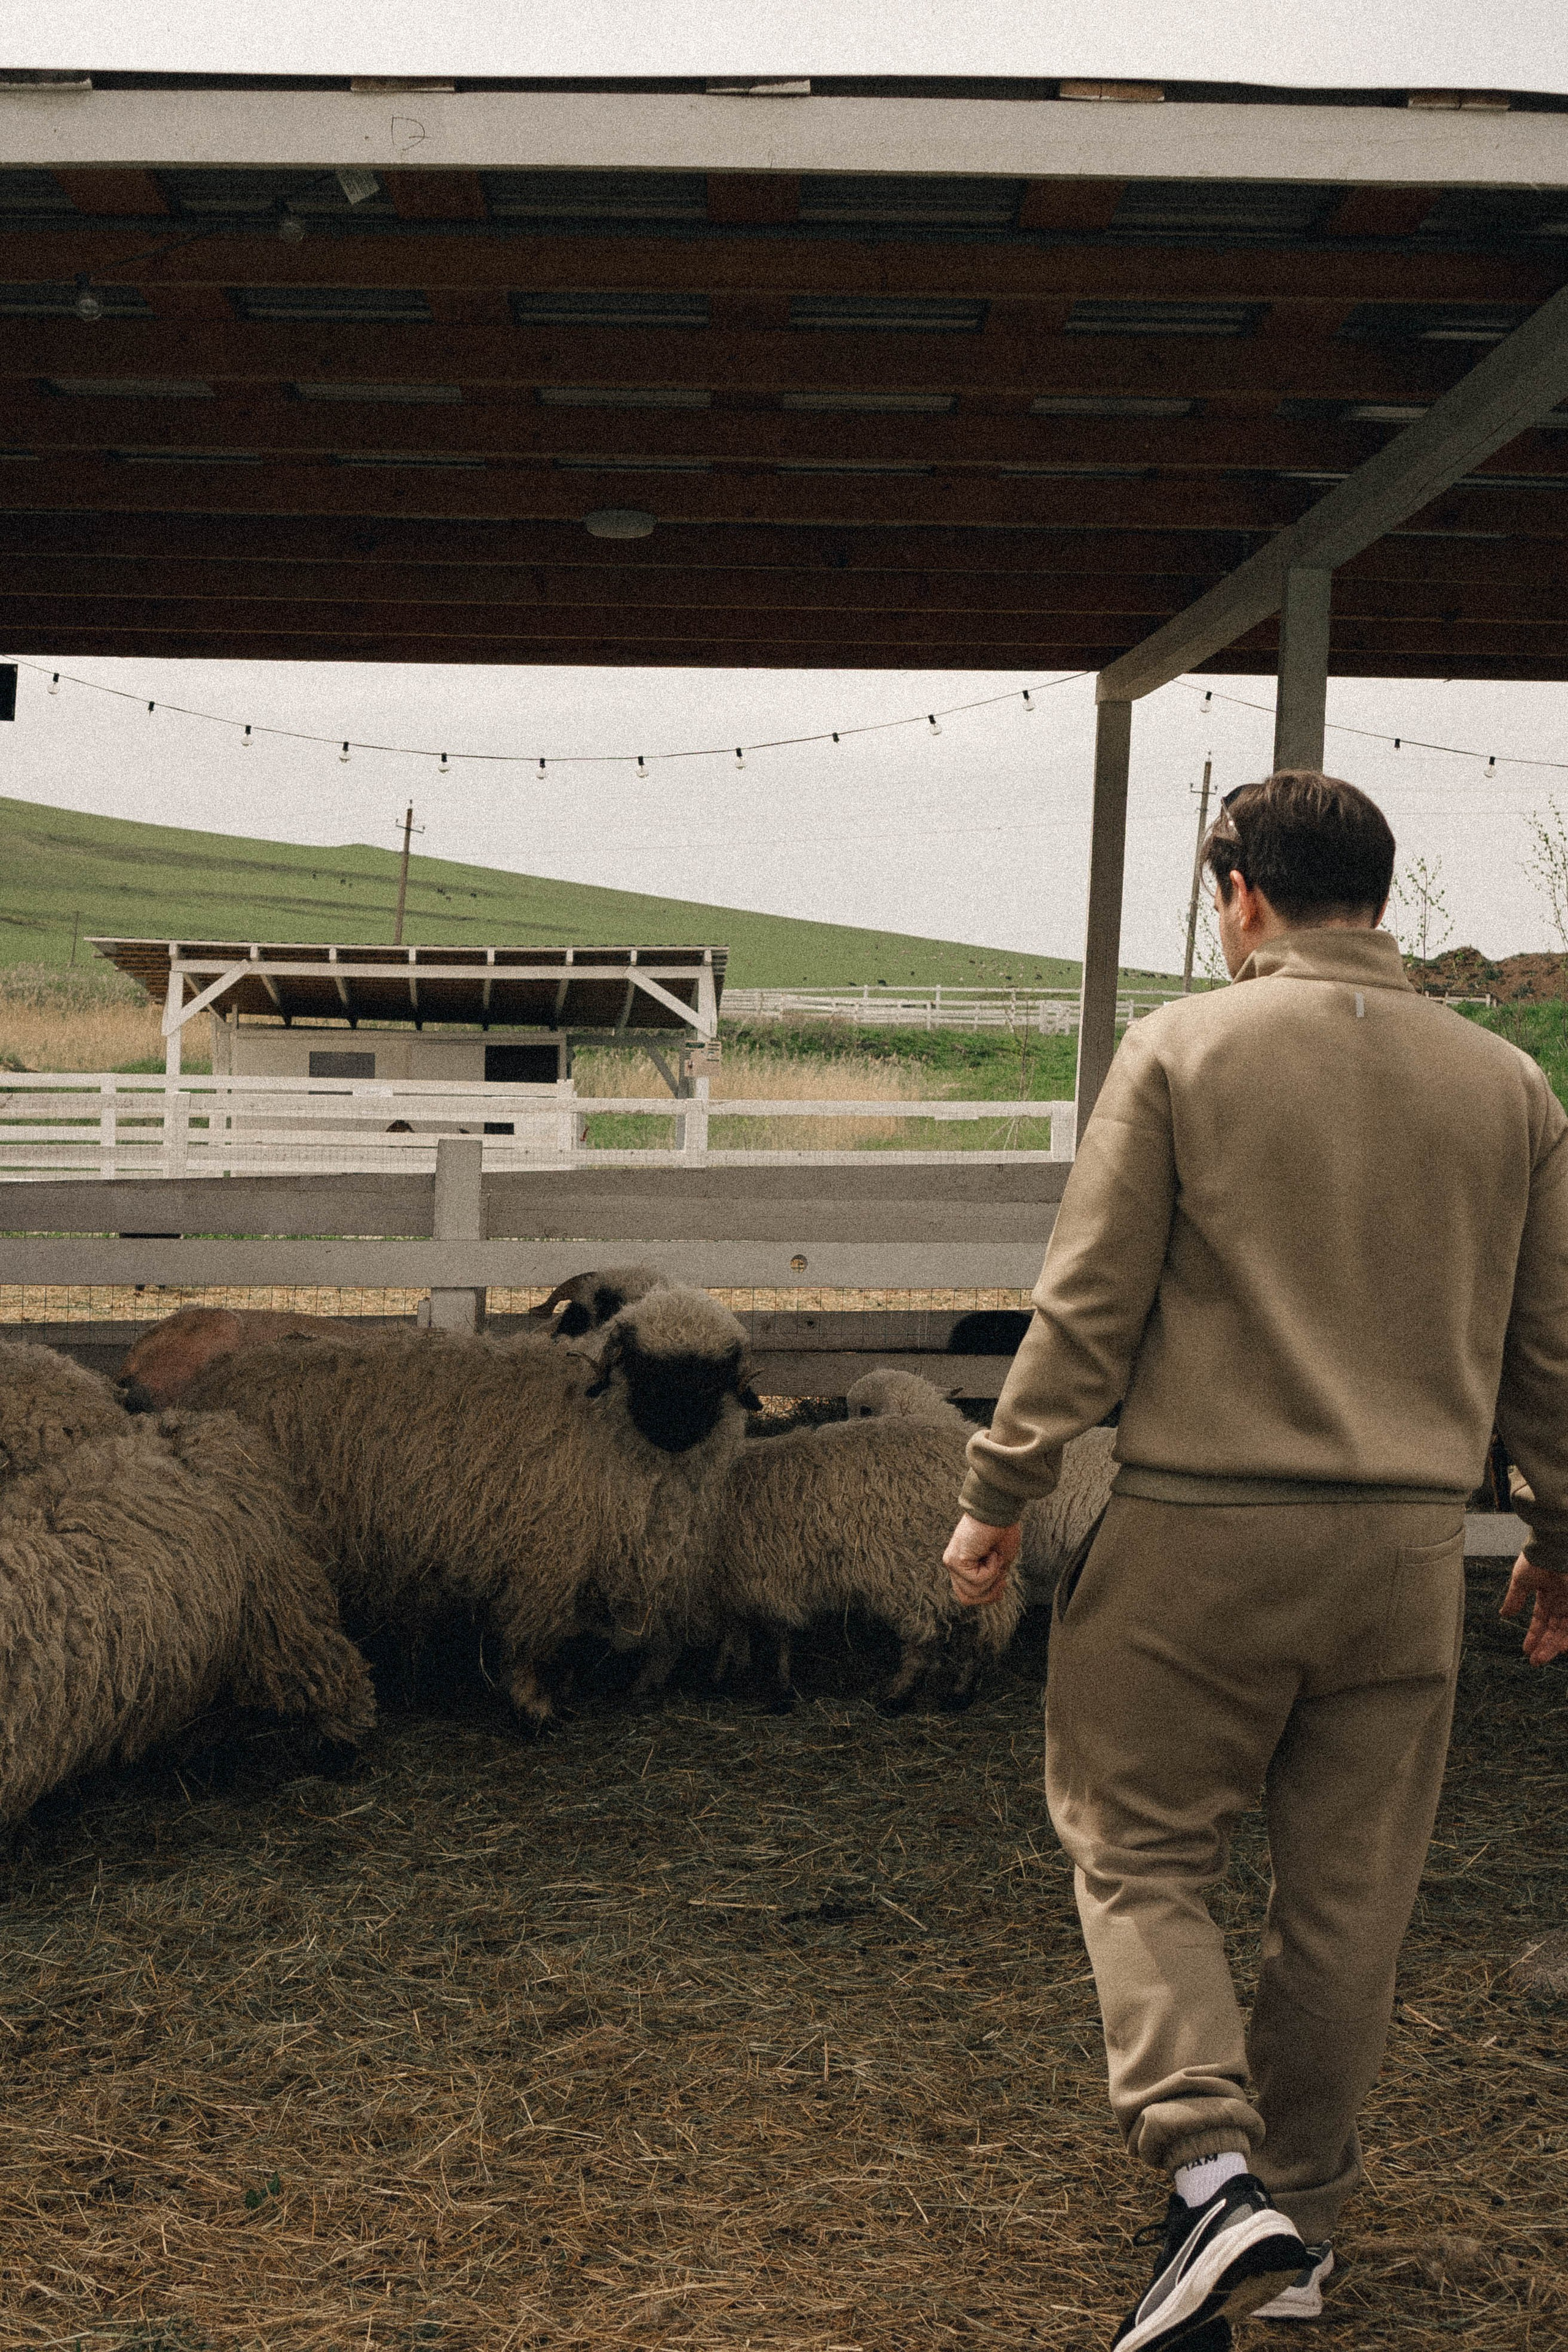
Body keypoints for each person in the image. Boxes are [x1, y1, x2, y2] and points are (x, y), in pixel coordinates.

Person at [943, 769, 1568, 2351]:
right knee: (1349, 1902)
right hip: (1407, 1560)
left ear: (1241, 893)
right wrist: (1560, 1534)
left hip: (1201, 1540)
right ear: (1376, 891)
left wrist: (999, 1489)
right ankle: (1302, 2240)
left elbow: (1086, 1315)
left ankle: (1214, 2176)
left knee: (1136, 1840)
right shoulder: (1511, 1091)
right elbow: (1551, 1358)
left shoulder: (1181, 1054)